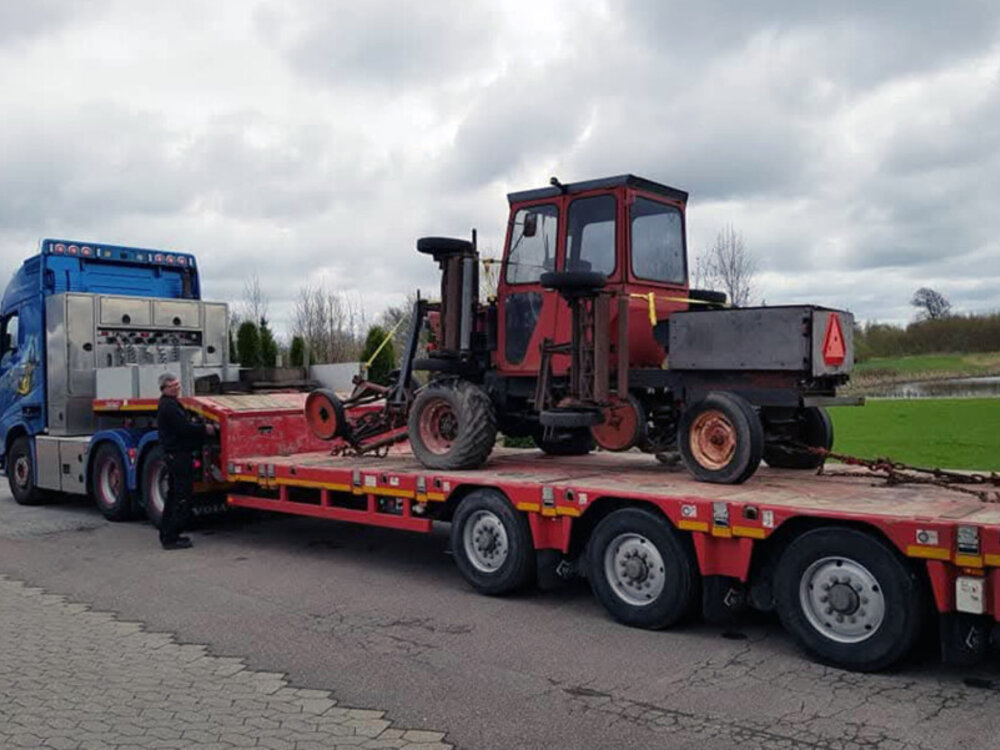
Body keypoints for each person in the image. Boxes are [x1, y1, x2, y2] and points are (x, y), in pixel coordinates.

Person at [156, 372, 215, 550]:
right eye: (173, 385)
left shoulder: (170, 404)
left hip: (177, 454)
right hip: (178, 455)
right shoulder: (169, 407)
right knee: (181, 496)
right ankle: (171, 537)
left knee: (174, 494)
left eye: (177, 384)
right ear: (164, 388)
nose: (177, 387)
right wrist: (205, 429)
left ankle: (168, 534)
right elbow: (183, 428)